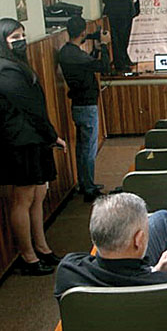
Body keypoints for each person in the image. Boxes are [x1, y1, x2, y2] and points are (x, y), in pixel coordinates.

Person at [0, 18, 68, 276]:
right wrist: (51, 135)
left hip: (34, 138)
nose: (21, 41)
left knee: (38, 195)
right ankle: (28, 255)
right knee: (23, 199)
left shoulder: (14, 63)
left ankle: (42, 247)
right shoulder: (2, 68)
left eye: (22, 35)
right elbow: (29, 106)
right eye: (14, 38)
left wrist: (47, 135)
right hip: (20, 141)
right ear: (2, 40)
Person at [58, 17, 111, 202]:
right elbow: (104, 67)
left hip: (78, 105)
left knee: (82, 147)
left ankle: (84, 182)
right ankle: (89, 188)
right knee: (89, 149)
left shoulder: (66, 52)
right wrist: (104, 46)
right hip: (87, 107)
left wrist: (95, 48)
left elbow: (88, 64)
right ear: (82, 33)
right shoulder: (76, 55)